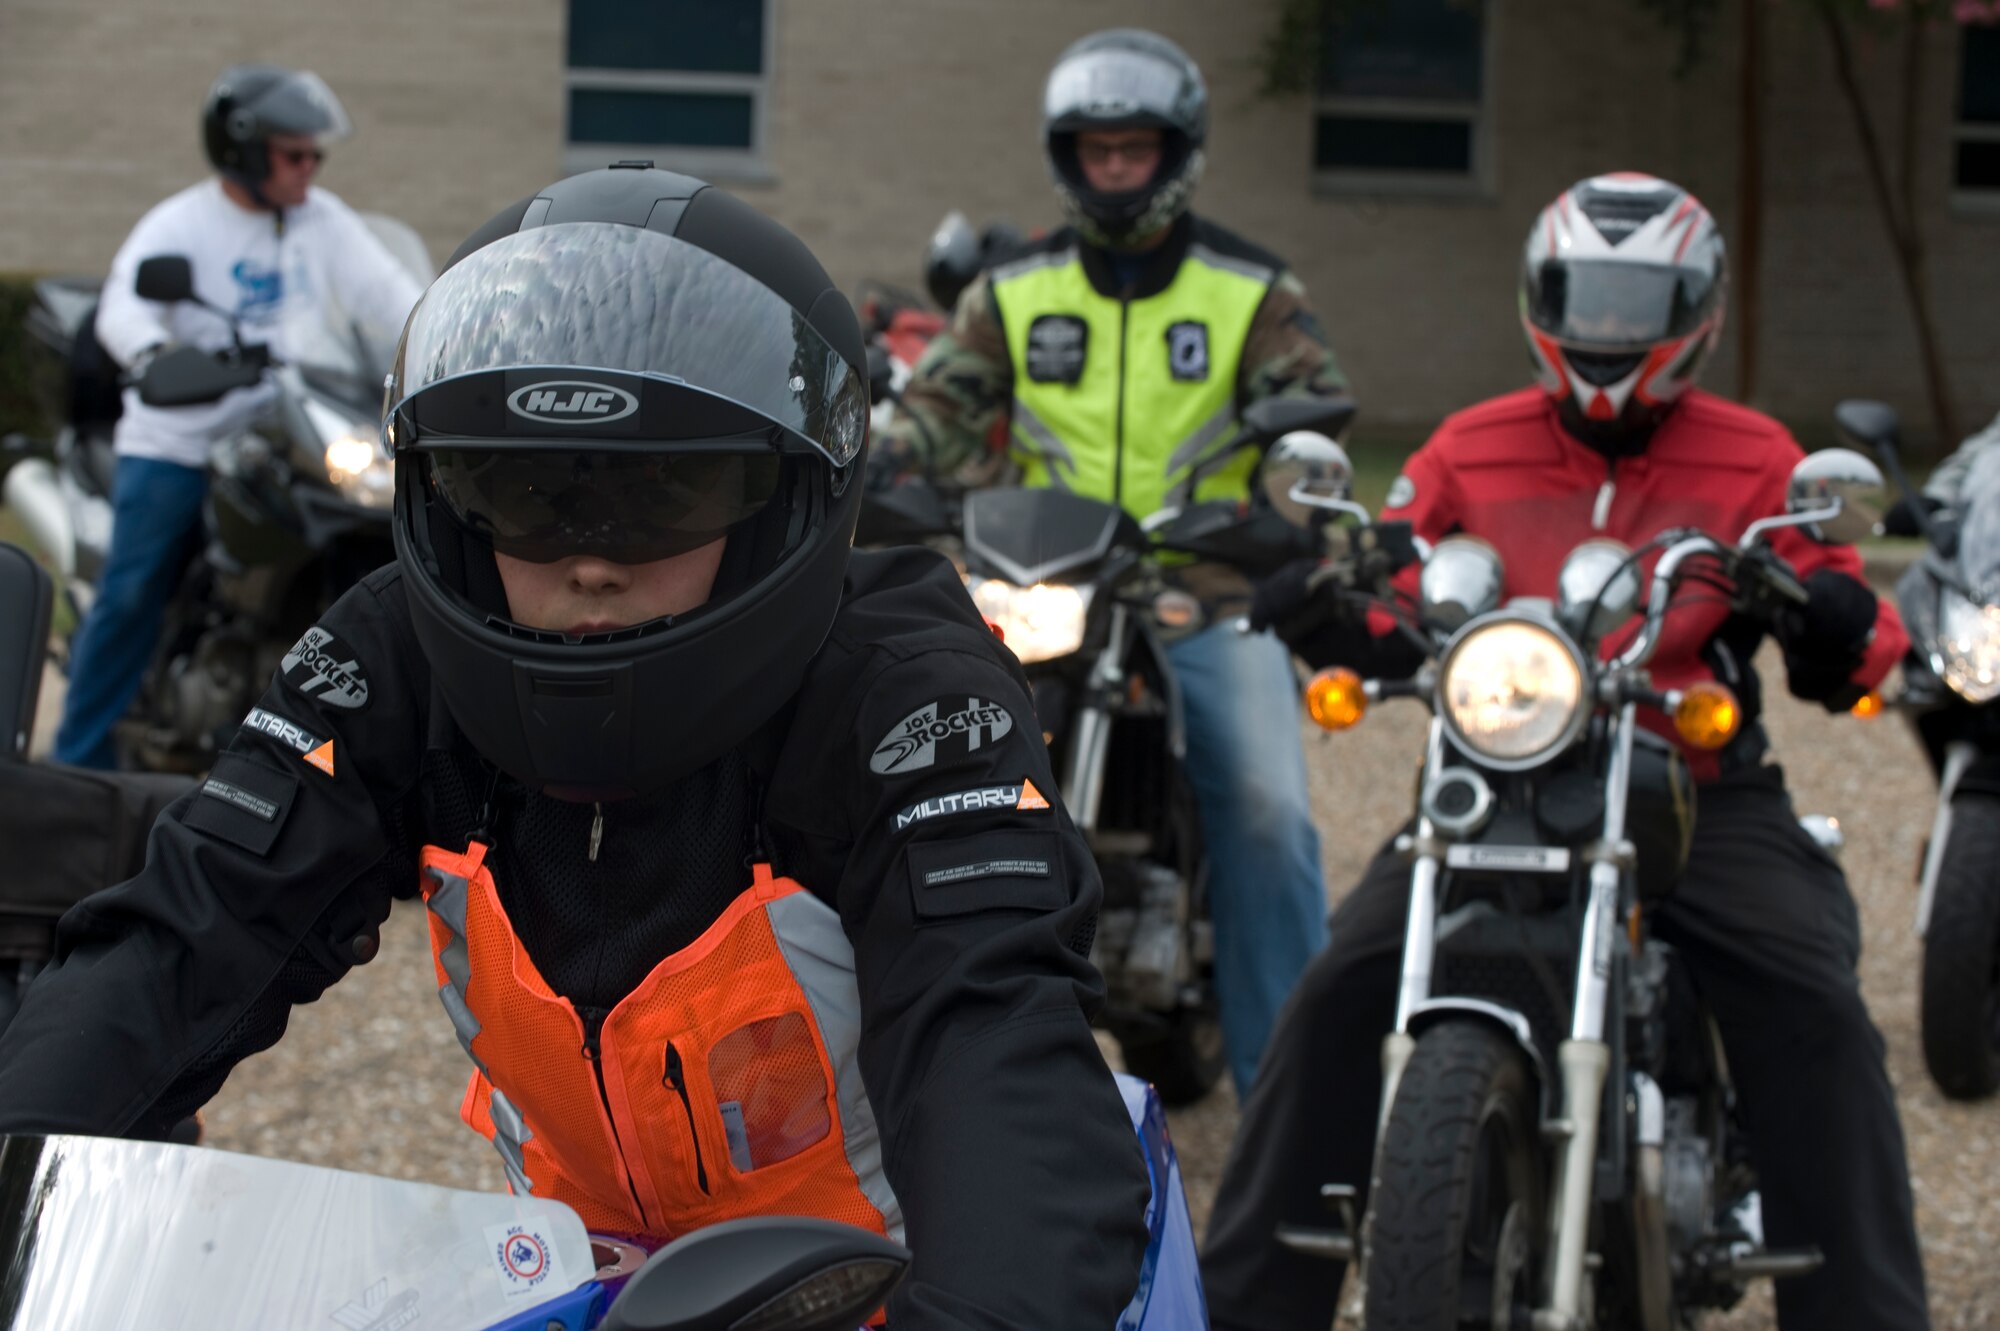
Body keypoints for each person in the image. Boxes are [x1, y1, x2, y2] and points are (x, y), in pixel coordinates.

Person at [0, 165, 1151, 1328]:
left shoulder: (905, 696)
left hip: (890, 1284)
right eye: (527, 490)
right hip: (571, 1283)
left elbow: (992, 1036)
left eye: (666, 490)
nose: (590, 559)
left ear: (782, 495)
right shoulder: (396, 648)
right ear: (450, 494)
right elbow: (185, 931)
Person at [1203, 173, 1931, 1331]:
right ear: (1537, 298)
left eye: (1635, 301)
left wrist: (1825, 610)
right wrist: (1322, 595)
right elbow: (1392, 576)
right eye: (1580, 298)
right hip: (1496, 774)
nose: (1604, 329)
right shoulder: (1468, 446)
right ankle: (1239, 1309)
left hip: (1690, 785)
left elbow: (1852, 627)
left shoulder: (1752, 456)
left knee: (1811, 1000)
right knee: (1340, 984)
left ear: (1697, 307)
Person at [877, 28, 1350, 1096]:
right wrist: (879, 468)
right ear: (1065, 156)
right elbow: (935, 414)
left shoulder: (1249, 289)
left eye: (1134, 148)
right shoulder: (1010, 292)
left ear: (1176, 151)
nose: (1115, 167)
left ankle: (1294, 1095)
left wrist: (1282, 506)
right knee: (904, 761)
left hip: (1199, 588)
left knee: (1268, 809)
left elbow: (1306, 410)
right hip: (1039, 578)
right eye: (1096, 150)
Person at [54, 64, 424, 769]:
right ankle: (78, 765)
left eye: (316, 154)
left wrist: (440, 333)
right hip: (182, 437)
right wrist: (154, 352)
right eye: (295, 154)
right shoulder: (182, 222)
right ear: (246, 151)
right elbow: (125, 306)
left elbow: (392, 295)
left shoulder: (324, 220)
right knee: (132, 592)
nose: (309, 167)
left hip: (286, 431)